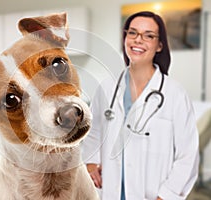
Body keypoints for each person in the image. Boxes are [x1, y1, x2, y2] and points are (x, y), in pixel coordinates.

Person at [82, 11, 199, 200]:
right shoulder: (107, 88)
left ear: (159, 45)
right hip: (110, 192)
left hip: (153, 195)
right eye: (133, 33)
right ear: (125, 38)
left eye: (149, 36)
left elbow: (188, 155)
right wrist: (90, 162)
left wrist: (166, 196)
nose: (138, 40)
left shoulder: (175, 94)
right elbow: (93, 132)